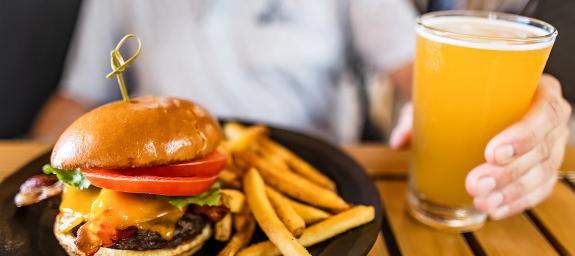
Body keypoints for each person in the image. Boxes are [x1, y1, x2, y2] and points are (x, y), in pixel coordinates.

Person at [31, 0, 571, 221]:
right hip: (154, 181)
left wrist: (516, 119)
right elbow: (76, 100)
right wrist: (36, 179)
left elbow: (422, 77)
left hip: (311, 184)